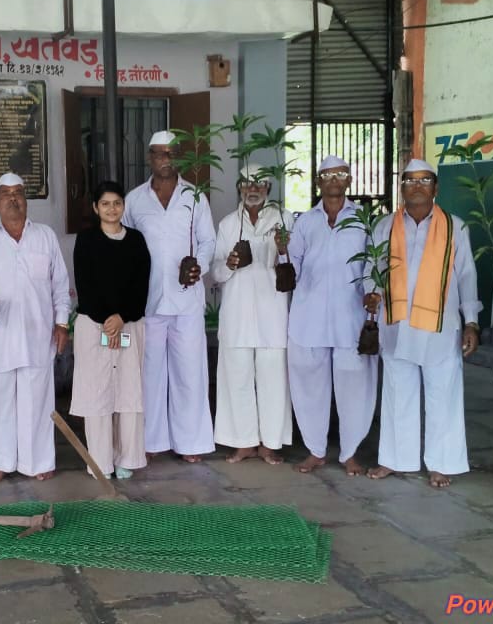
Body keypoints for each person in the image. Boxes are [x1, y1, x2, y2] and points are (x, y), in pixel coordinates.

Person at [365, 159, 479, 488]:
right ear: (401, 187)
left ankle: (441, 463)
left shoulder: (455, 227)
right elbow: (371, 268)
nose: (417, 186)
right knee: (397, 393)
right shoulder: (385, 226)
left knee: (443, 395)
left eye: (424, 180)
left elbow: (467, 276)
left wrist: (471, 322)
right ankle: (395, 459)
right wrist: (370, 294)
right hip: (397, 324)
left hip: (440, 327)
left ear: (436, 187)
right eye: (410, 180)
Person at [0, 173, 70, 483]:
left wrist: (62, 323)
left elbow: (60, 283)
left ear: (26, 200)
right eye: (6, 194)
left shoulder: (45, 236)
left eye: (18, 193)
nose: (12, 199)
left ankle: (37, 461)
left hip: (38, 334)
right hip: (0, 334)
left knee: (37, 400)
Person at [122, 131, 216, 463]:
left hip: (186, 299)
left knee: (189, 372)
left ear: (180, 157)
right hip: (148, 300)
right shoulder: (135, 200)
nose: (165, 159)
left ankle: (190, 444)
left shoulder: (195, 197)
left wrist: (199, 266)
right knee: (149, 374)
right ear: (150, 157)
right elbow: (125, 244)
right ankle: (151, 441)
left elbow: (208, 241)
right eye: (159, 153)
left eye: (171, 153)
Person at [287, 155, 378, 476]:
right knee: (309, 385)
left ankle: (350, 453)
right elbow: (292, 262)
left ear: (349, 180)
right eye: (328, 175)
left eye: (340, 174)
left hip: (349, 316)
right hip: (309, 316)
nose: (334, 180)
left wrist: (372, 291)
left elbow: (373, 262)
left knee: (355, 386)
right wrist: (282, 257)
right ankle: (315, 450)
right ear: (318, 182)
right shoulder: (305, 222)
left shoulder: (363, 219)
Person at [212, 165, 293, 464]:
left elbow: (295, 265)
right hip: (237, 314)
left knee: (274, 381)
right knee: (237, 380)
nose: (253, 188)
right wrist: (230, 264)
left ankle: (270, 444)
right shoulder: (228, 224)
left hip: (273, 314)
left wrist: (282, 249)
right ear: (239, 188)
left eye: (260, 183)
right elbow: (215, 272)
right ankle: (243, 442)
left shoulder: (284, 219)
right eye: (247, 183)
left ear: (269, 188)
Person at [70, 182, 151, 479]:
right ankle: (100, 462)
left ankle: (126, 459)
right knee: (98, 395)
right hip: (95, 326)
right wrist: (108, 320)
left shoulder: (136, 240)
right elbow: (85, 284)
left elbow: (141, 284)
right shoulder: (86, 240)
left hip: (129, 324)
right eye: (105, 203)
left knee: (128, 392)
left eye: (117, 203)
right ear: (96, 207)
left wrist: (122, 318)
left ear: (123, 206)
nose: (112, 209)